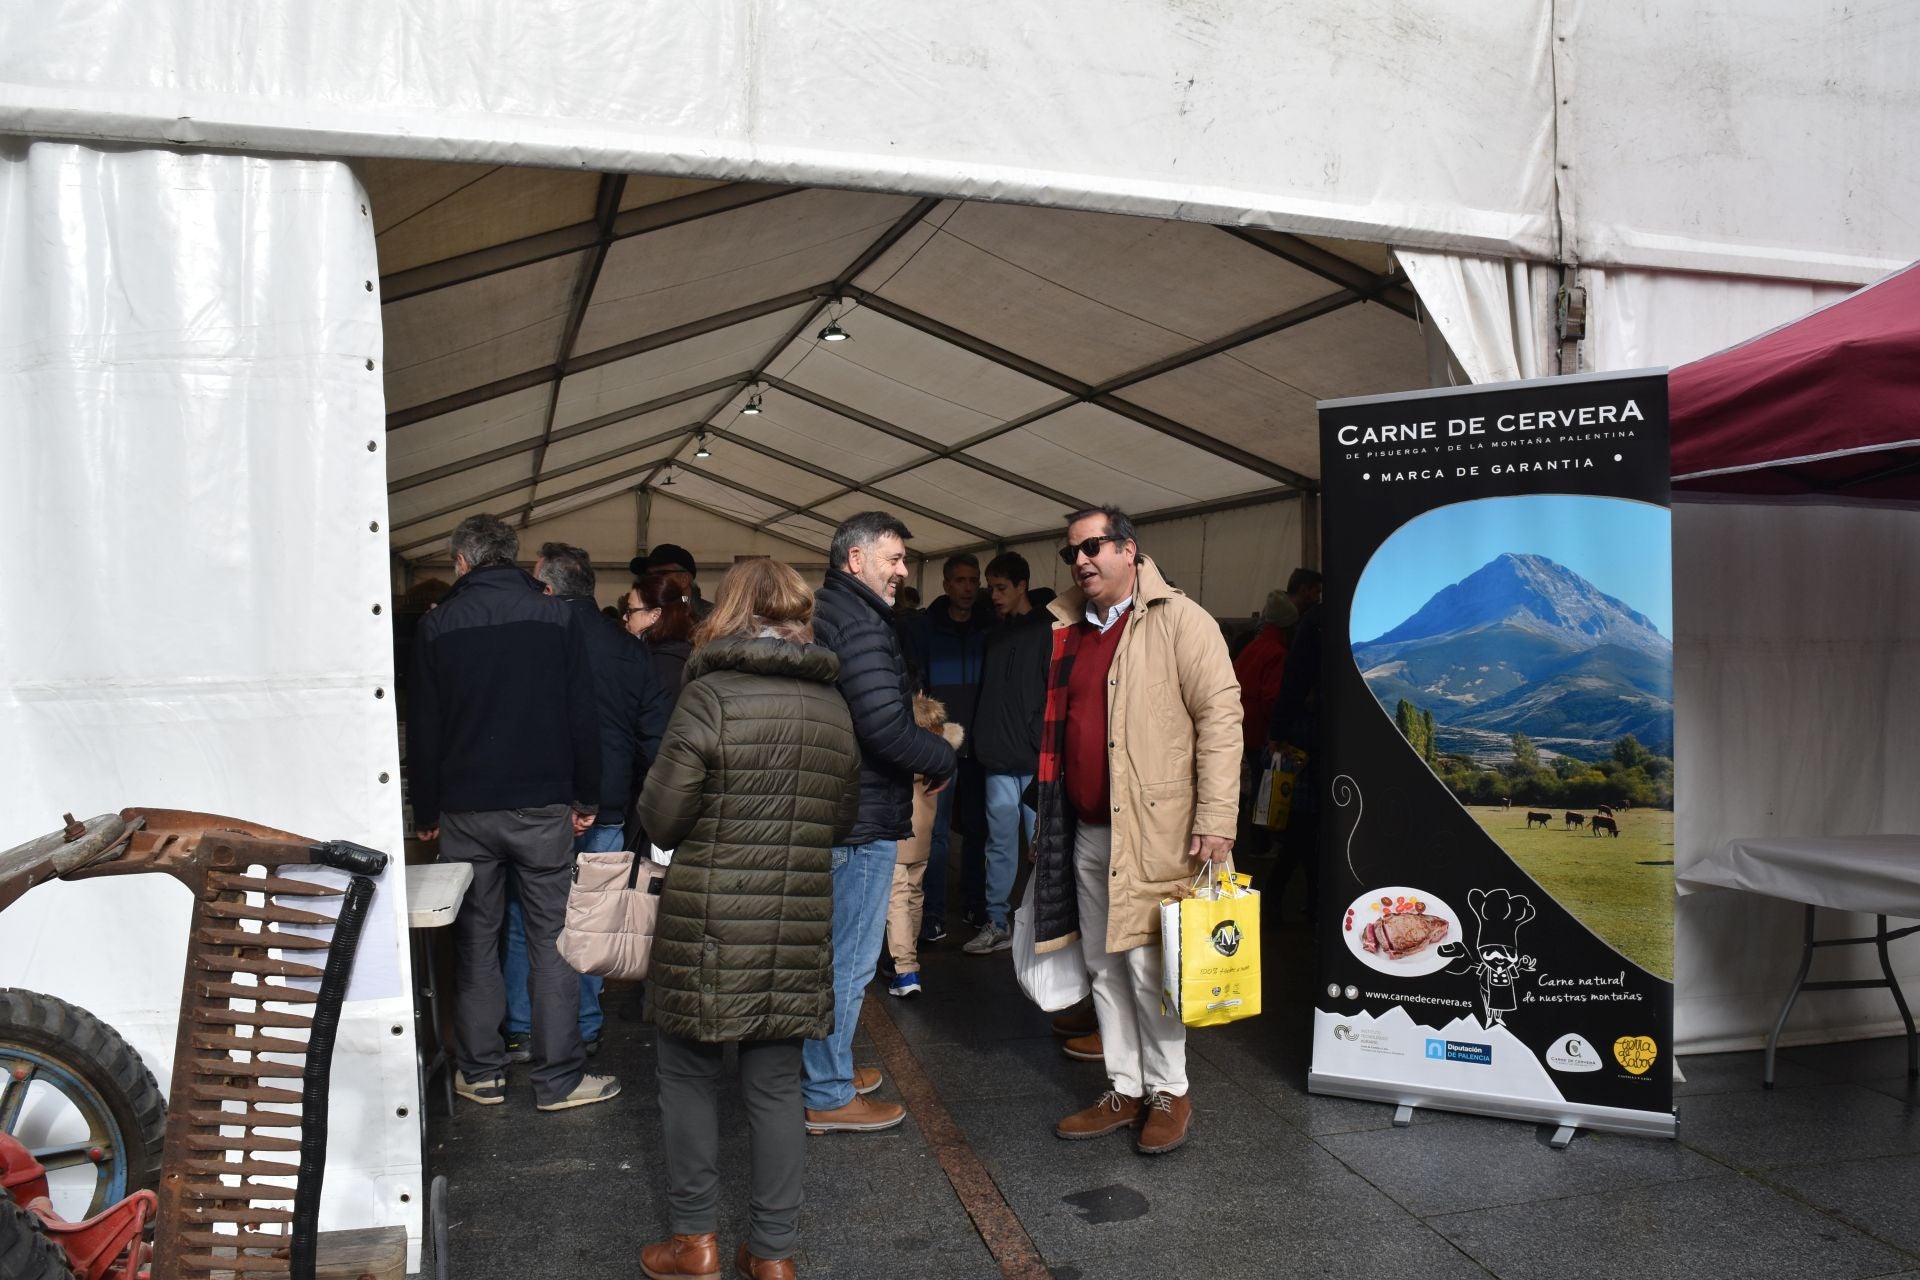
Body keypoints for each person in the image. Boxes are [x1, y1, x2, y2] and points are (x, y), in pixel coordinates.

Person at [636, 558, 861, 1280]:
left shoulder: (708, 697)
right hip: (795, 915)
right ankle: (772, 1255)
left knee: (688, 1077)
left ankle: (695, 1243)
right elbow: (842, 816)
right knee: (775, 1086)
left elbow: (663, 814)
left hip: (707, 915)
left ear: (726, 612)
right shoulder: (833, 705)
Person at [1030, 506, 1239, 1155]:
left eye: (1093, 547)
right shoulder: (1071, 628)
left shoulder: (1182, 620)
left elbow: (1222, 719)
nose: (1083, 561)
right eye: (1072, 553)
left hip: (1160, 832)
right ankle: (1123, 1087)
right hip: (1087, 829)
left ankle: (1169, 1091)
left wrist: (1216, 819)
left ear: (1129, 549)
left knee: (1153, 969)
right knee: (1103, 967)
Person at [408, 514, 618, 1112]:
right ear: (512, 558)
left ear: (461, 561)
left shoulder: (438, 625)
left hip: (466, 810)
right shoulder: (555, 616)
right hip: (542, 806)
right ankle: (558, 1080)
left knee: (476, 943)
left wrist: (427, 808)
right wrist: (586, 798)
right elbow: (584, 714)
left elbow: (426, 727)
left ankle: (481, 1072)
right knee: (553, 940)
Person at [804, 512, 956, 1131]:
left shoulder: (836, 611)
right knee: (849, 960)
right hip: (860, 814)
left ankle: (824, 1062)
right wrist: (940, 753)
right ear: (855, 560)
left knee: (831, 957)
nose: (902, 571)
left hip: (841, 808)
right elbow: (883, 728)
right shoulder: (861, 625)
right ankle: (828, 1092)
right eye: (892, 559)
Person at [495, 544, 667, 1063]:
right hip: (609, 808)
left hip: (536, 806)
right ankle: (585, 1028)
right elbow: (654, 740)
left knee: (528, 919)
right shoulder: (630, 649)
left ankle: (525, 1029)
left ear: (547, 587)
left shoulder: (527, 641)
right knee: (595, 923)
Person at [962, 552, 1055, 955]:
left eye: (1001, 588)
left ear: (1022, 586)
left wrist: (1041, 740)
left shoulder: (1051, 632)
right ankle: (997, 922)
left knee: (1045, 847)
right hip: (1000, 756)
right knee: (1000, 846)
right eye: (991, 588)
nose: (994, 595)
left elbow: (1057, 695)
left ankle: (1048, 928)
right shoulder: (995, 635)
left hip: (1036, 762)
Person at [898, 553, 994, 942]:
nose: (968, 588)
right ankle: (933, 913)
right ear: (946, 584)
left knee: (978, 831)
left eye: (974, 581)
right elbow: (917, 688)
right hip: (940, 748)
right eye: (961, 581)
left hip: (981, 747)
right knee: (934, 835)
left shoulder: (991, 629)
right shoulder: (924, 630)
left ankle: (974, 903)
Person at [885, 694, 965, 996]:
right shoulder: (940, 752)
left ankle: (905, 970)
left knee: (896, 901)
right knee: (915, 896)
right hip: (924, 836)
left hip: (897, 830)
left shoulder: (901, 750)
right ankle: (909, 958)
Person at [1269, 575, 1327, 923]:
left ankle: (1296, 899)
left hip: (1305, 733)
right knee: (1308, 826)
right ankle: (1307, 901)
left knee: (1304, 825)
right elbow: (1292, 682)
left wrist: (1278, 731)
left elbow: (1292, 682)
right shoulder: (1326, 620)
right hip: (1315, 735)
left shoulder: (1315, 621)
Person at [1231, 589, 1301, 866]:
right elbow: (1273, 698)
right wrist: (1279, 733)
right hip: (1260, 731)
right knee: (1264, 790)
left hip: (1241, 727)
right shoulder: (1278, 653)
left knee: (1251, 790)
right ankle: (1261, 843)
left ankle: (1252, 841)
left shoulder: (1252, 647)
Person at [632, 542, 713, 621]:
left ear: (684, 579)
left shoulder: (714, 619)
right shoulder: (646, 619)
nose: (652, 580)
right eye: (648, 575)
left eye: (660, 574)